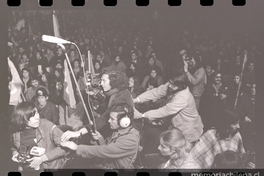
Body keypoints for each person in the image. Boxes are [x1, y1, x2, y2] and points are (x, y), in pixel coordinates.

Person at [134, 72, 204, 154]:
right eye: (170, 82)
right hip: (177, 127)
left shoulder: (184, 97)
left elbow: (166, 110)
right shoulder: (172, 85)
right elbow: (156, 92)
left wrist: (142, 115)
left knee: (182, 154)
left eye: (173, 85)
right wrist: (137, 99)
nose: (169, 86)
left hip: (188, 131)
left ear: (181, 87)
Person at [61, 67, 134, 141]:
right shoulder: (117, 92)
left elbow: (104, 118)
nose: (101, 83)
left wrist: (79, 132)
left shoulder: (121, 97)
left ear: (113, 82)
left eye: (104, 81)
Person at [60, 103, 140, 169]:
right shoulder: (119, 131)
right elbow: (108, 146)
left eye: (112, 119)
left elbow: (106, 151)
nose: (109, 121)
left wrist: (77, 147)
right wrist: (100, 139)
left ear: (124, 121)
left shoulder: (131, 139)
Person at [10, 102, 66, 171]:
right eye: (32, 116)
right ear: (22, 119)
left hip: (50, 168)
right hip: (29, 170)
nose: (37, 117)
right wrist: (15, 153)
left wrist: (42, 158)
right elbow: (14, 146)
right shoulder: (16, 133)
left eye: (37, 113)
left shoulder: (47, 125)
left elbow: (65, 147)